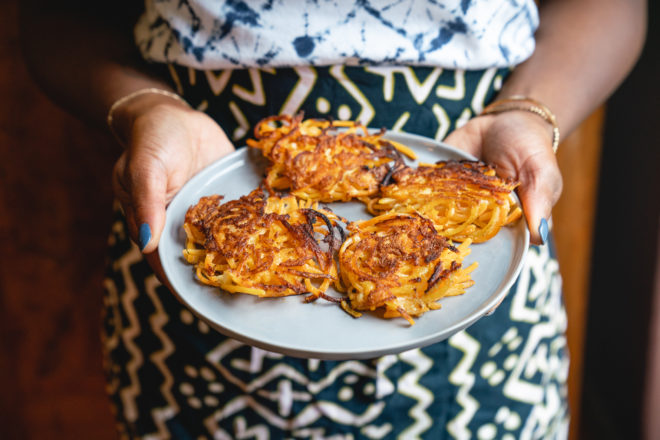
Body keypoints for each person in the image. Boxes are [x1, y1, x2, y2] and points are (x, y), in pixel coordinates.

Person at [19, 0, 646, 438]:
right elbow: (56, 12)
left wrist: (533, 112)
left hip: (478, 248)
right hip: (191, 203)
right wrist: (143, 106)